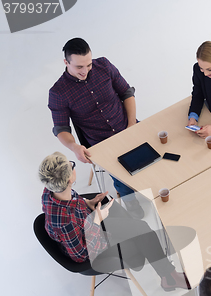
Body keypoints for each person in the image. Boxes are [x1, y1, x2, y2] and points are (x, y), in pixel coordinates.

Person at [39, 152, 189, 292]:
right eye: (72, 166)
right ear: (70, 179)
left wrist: (88, 204)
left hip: (86, 223)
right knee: (142, 234)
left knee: (141, 227)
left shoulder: (51, 190)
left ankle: (168, 275)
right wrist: (97, 221)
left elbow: (73, 202)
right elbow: (81, 255)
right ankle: (170, 277)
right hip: (92, 248)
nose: (73, 167)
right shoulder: (65, 223)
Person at [48, 38, 142, 214]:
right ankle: (132, 205)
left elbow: (126, 92)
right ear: (66, 62)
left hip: (128, 126)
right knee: (126, 183)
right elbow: (61, 129)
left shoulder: (104, 65)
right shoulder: (58, 93)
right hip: (102, 144)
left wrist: (131, 126)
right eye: (79, 67)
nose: (85, 71)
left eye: (88, 65)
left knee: (157, 159)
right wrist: (74, 146)